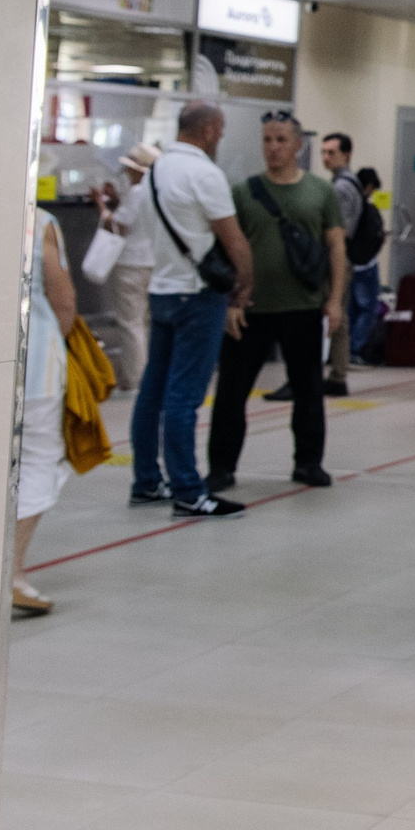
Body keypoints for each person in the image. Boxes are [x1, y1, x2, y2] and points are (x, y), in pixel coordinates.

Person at [127, 101, 254, 518]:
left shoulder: (155, 172)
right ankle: (188, 490)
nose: (219, 138)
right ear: (208, 130)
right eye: (219, 131)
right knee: (184, 396)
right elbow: (234, 241)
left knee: (153, 392)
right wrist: (244, 286)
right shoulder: (204, 173)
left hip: (161, 290)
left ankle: (147, 480)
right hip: (197, 296)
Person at [207, 112, 346, 491]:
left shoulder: (320, 192)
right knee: (232, 394)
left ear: (298, 145)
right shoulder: (244, 192)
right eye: (268, 140)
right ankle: (221, 467)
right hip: (250, 310)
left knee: (308, 391)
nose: (273, 148)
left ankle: (308, 463)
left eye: (282, 140)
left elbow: (336, 247)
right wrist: (231, 301)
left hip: (303, 307)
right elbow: (227, 250)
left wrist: (335, 300)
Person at [13, 207, 80, 615]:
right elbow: (63, 301)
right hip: (34, 364)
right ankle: (12, 571)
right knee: (39, 459)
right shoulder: (38, 222)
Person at [88, 145, 160, 385]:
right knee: (147, 322)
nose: (127, 174)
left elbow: (119, 225)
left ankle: (137, 377)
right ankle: (151, 373)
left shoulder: (138, 191)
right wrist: (118, 200)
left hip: (131, 263)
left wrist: (101, 205)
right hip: (154, 262)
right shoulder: (159, 190)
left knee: (131, 323)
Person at [320, 131, 364, 395]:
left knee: (336, 318)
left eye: (331, 152)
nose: (326, 157)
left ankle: (337, 374)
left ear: (345, 155)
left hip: (336, 261)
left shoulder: (341, 188)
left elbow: (339, 230)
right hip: (344, 259)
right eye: (323, 152)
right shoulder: (350, 183)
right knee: (339, 318)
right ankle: (337, 373)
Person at [352, 167, 387, 359]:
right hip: (365, 265)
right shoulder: (365, 208)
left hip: (351, 265)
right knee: (367, 308)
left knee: (352, 309)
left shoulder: (349, 204)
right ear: (368, 186)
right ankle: (356, 348)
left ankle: (349, 349)